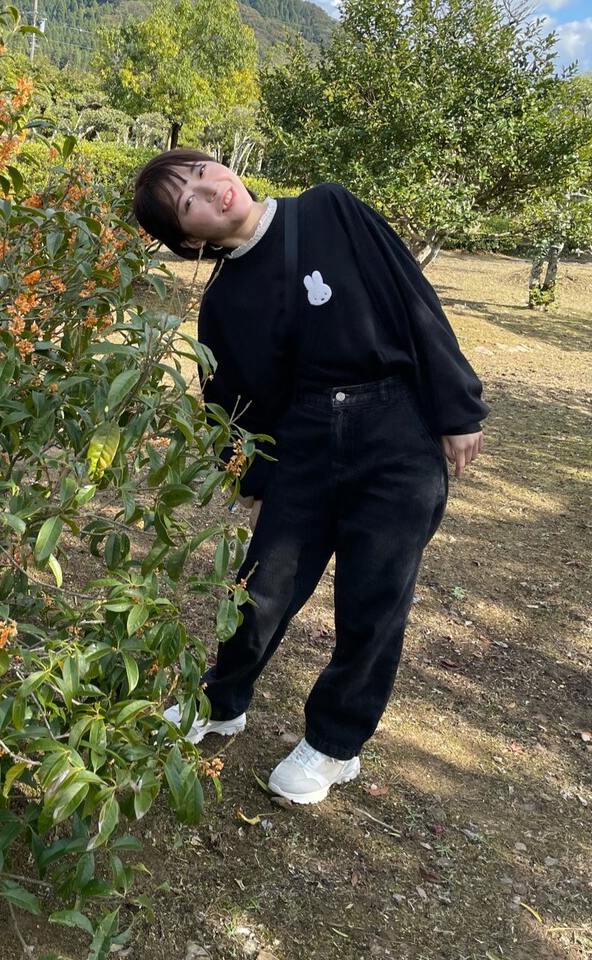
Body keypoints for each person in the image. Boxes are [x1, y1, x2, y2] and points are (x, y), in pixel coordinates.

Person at [132, 150, 486, 804]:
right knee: (260, 590)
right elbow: (231, 406)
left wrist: (457, 407)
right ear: (189, 240)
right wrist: (252, 482)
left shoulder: (330, 210)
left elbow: (413, 297)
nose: (211, 190)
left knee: (372, 602)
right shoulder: (223, 302)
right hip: (304, 444)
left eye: (204, 172)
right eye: (188, 202)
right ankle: (220, 702)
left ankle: (333, 746)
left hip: (395, 434)